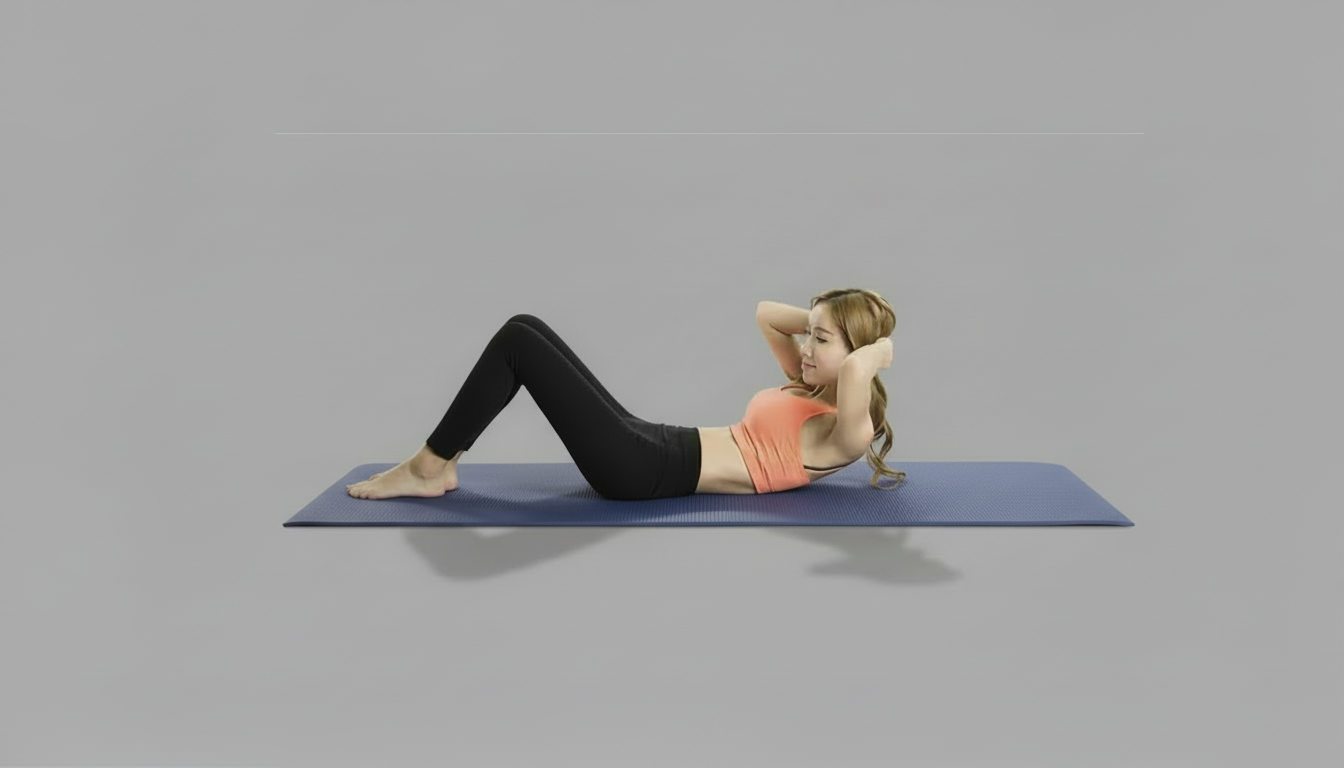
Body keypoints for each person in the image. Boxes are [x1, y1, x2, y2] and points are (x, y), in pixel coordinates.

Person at [346, 288, 905, 502]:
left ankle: (429, 467)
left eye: (821, 339)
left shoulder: (847, 432)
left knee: (518, 342)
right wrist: (830, 320)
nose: (805, 345)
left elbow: (858, 370)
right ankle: (440, 464)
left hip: (646, 472)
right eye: (811, 333)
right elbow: (766, 315)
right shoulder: (814, 385)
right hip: (657, 442)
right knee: (527, 324)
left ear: (856, 353)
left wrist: (878, 344)